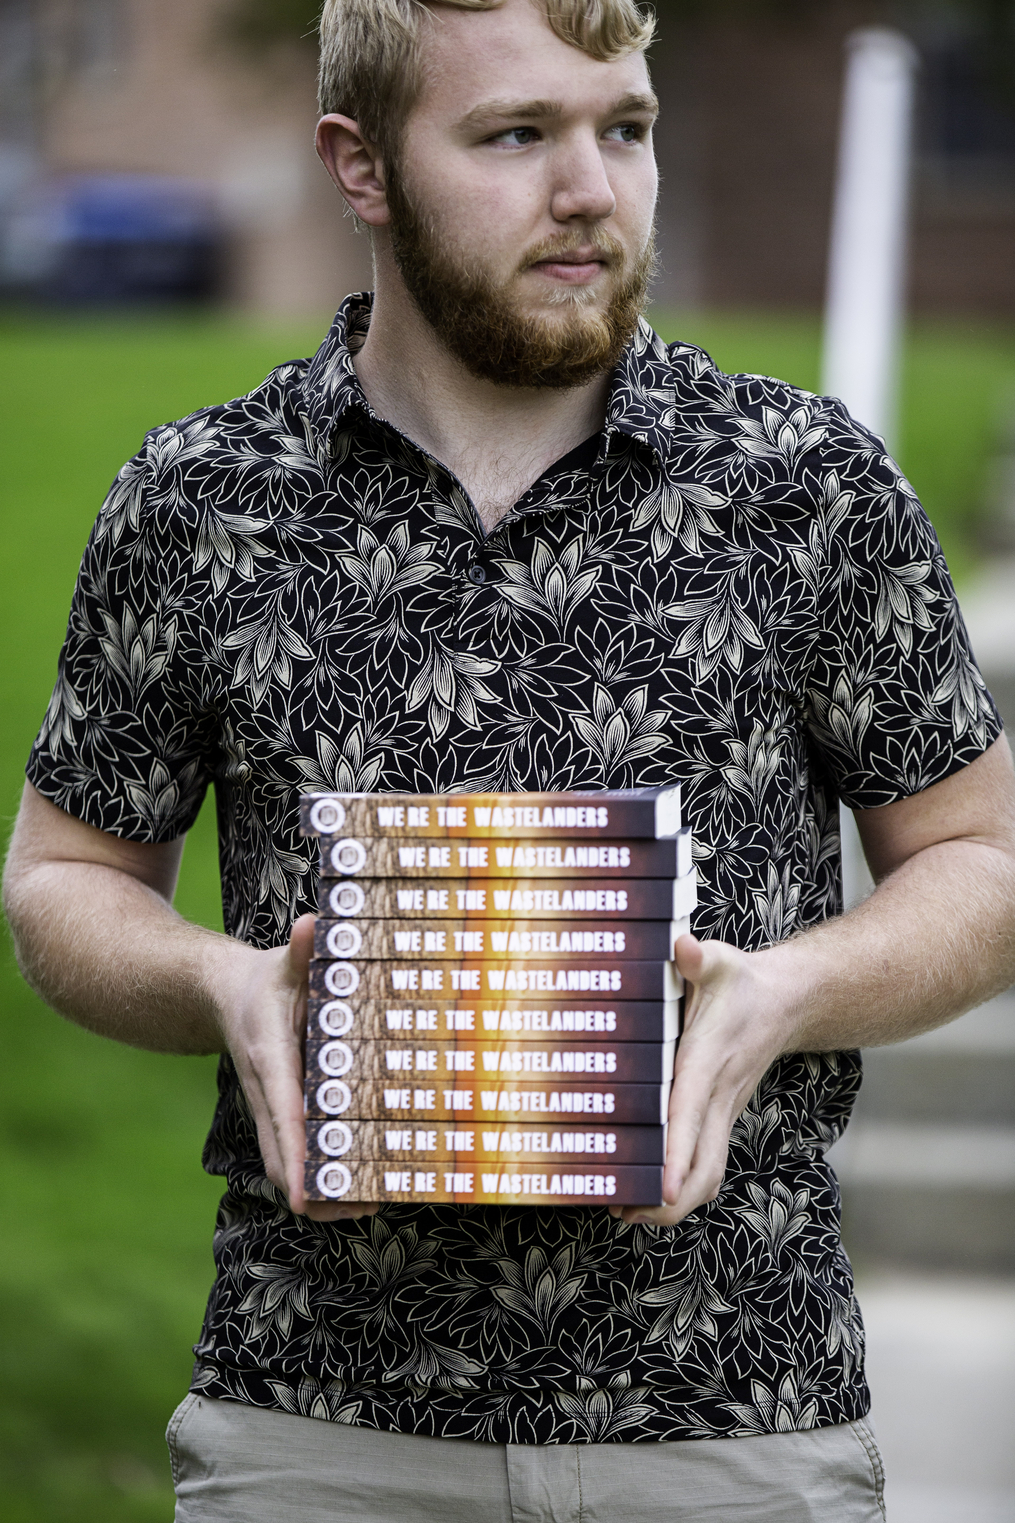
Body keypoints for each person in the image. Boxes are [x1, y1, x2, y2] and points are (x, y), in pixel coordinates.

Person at [5, 0, 1015, 1518]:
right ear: (362, 167)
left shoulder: (808, 488)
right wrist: (221, 982)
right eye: (514, 135)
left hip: (736, 1416)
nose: (591, 190)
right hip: (316, 1427)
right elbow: (63, 880)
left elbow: (981, 858)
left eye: (625, 127)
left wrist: (792, 991)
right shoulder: (198, 502)